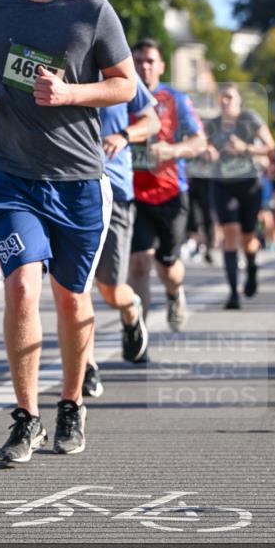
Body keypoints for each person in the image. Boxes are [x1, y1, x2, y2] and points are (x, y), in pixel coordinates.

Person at [0, 0, 136, 465]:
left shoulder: (92, 11)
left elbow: (125, 85)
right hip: (12, 176)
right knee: (20, 286)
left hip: (79, 180)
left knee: (71, 296)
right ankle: (25, 416)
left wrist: (70, 94)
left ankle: (70, 404)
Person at [85, 75, 159, 395]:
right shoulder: (55, 60)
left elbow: (152, 120)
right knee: (77, 287)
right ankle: (87, 367)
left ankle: (131, 310)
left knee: (111, 289)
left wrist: (124, 135)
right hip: (68, 186)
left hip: (114, 189)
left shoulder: (115, 64)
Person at [129, 40, 206, 330]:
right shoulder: (120, 94)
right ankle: (138, 334)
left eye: (150, 61)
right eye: (138, 61)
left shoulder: (175, 99)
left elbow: (199, 142)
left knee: (167, 266)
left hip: (170, 193)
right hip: (133, 193)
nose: (144, 67)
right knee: (139, 263)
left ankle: (175, 292)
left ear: (161, 66)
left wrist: (172, 150)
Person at [204, 83, 275, 309]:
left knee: (248, 236)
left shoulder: (250, 119)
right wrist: (207, 151)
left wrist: (246, 148)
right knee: (230, 233)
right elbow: (201, 146)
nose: (225, 101)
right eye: (222, 98)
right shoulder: (212, 124)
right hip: (222, 184)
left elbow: (270, 147)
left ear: (239, 100)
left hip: (248, 184)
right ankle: (233, 292)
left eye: (229, 97)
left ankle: (252, 267)